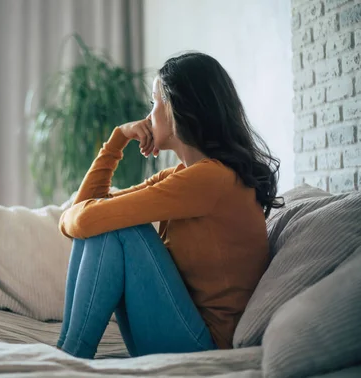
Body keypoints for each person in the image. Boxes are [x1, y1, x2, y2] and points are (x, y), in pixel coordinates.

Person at [56, 52, 284, 359]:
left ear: (176, 108)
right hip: (177, 331)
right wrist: (116, 140)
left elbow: (83, 220)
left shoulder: (210, 180)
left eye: (154, 102)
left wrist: (72, 216)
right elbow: (87, 213)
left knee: (121, 228)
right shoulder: (185, 177)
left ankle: (69, 356)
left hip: (205, 347)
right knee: (110, 223)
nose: (148, 115)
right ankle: (68, 353)